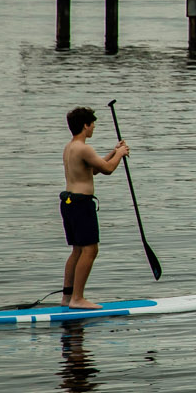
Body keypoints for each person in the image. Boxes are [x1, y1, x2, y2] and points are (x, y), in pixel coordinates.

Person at [60, 106, 128, 309]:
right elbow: (106, 170)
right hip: (81, 204)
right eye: (92, 124)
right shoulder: (84, 148)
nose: (94, 127)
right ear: (85, 125)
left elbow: (94, 169)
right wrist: (121, 154)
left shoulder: (70, 147)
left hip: (68, 203)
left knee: (78, 250)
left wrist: (114, 152)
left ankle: (67, 297)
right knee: (90, 250)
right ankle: (78, 299)